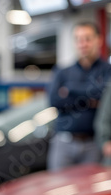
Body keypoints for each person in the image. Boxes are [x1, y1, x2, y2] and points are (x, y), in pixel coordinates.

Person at [47, 21, 111, 171]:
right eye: (78, 39)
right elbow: (54, 100)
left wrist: (70, 90)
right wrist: (91, 101)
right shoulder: (62, 72)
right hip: (64, 143)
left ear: (98, 40)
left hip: (93, 145)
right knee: (58, 190)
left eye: (87, 38)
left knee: (92, 192)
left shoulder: (107, 71)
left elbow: (105, 95)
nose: (83, 44)